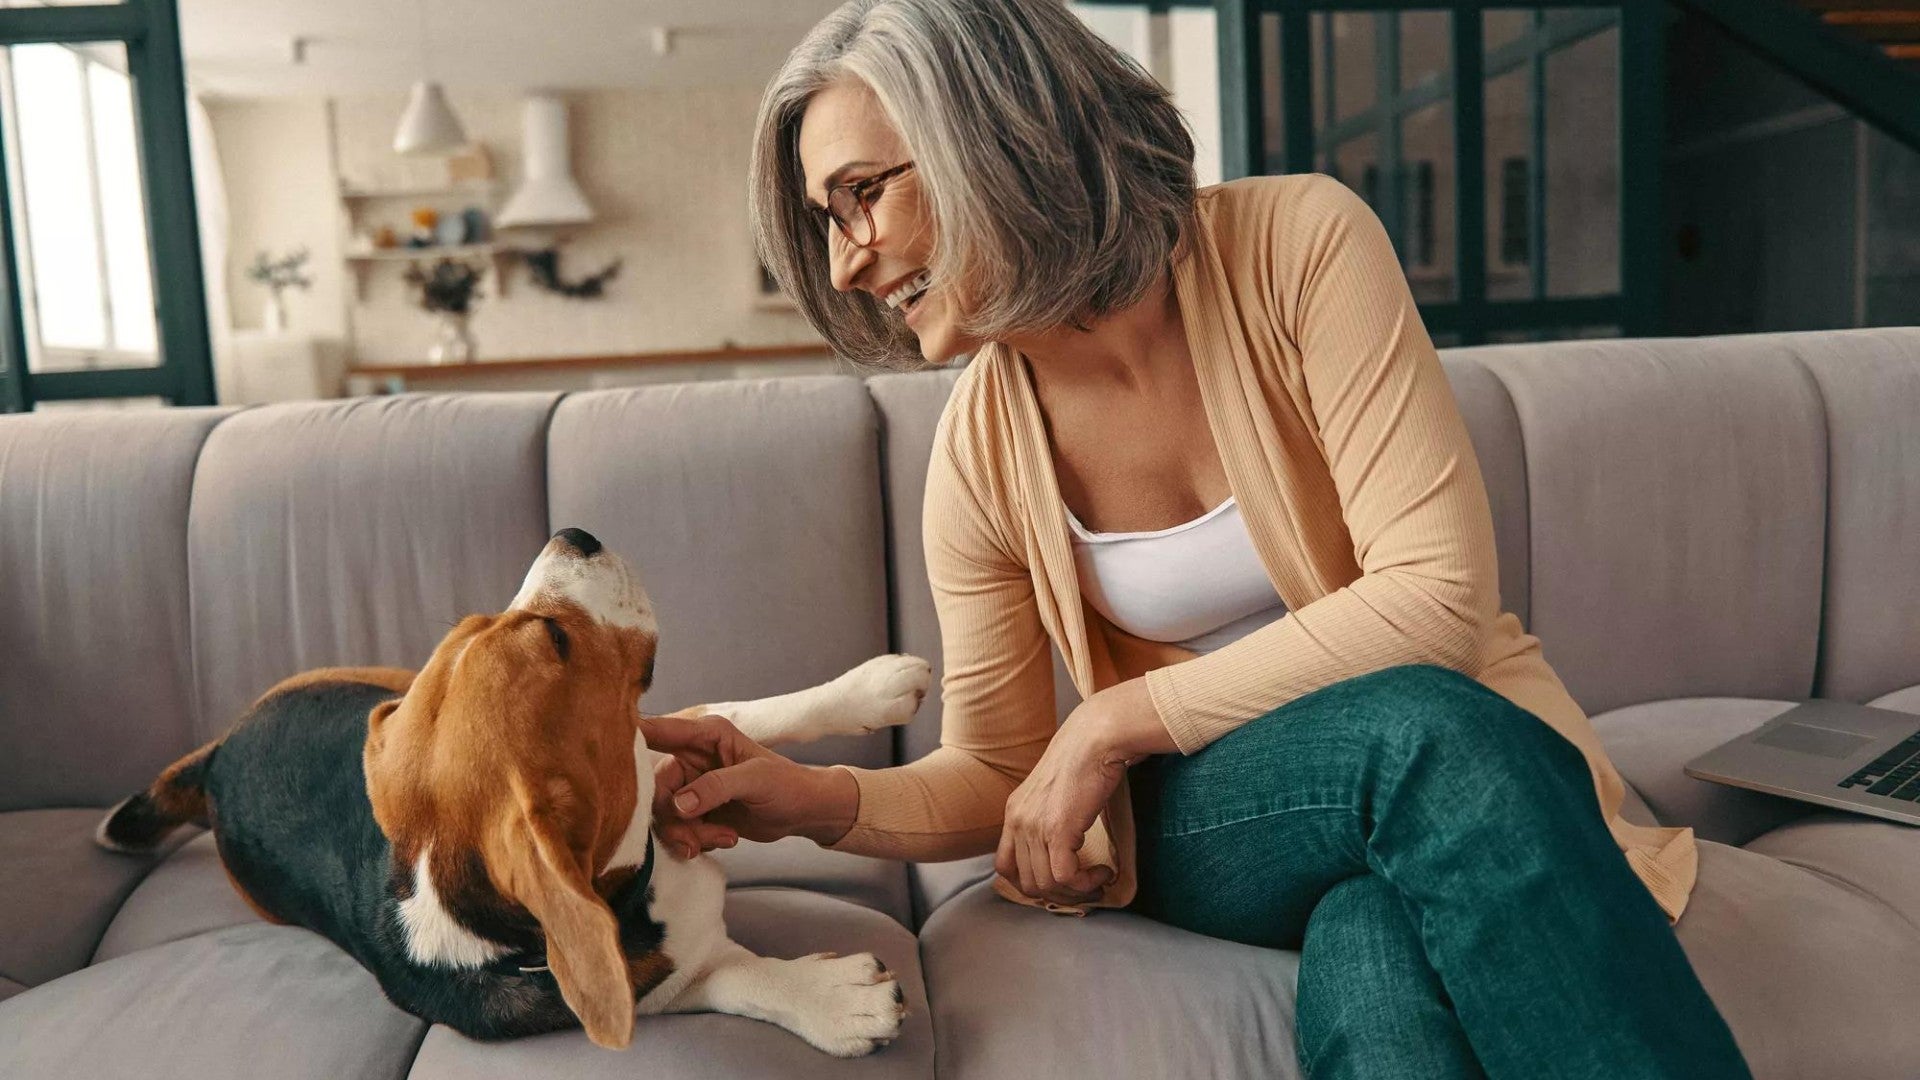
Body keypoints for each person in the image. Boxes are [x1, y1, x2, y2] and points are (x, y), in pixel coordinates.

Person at [641, 1, 1753, 1075]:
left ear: (988, 131)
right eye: (829, 220)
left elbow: (1436, 599)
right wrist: (815, 800)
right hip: (1221, 817)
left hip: (1439, 775)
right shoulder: (981, 456)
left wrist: (1114, 721)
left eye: (861, 195)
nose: (846, 263)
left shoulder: (1299, 246)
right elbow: (998, 769)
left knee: (1377, 952)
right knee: (1433, 738)